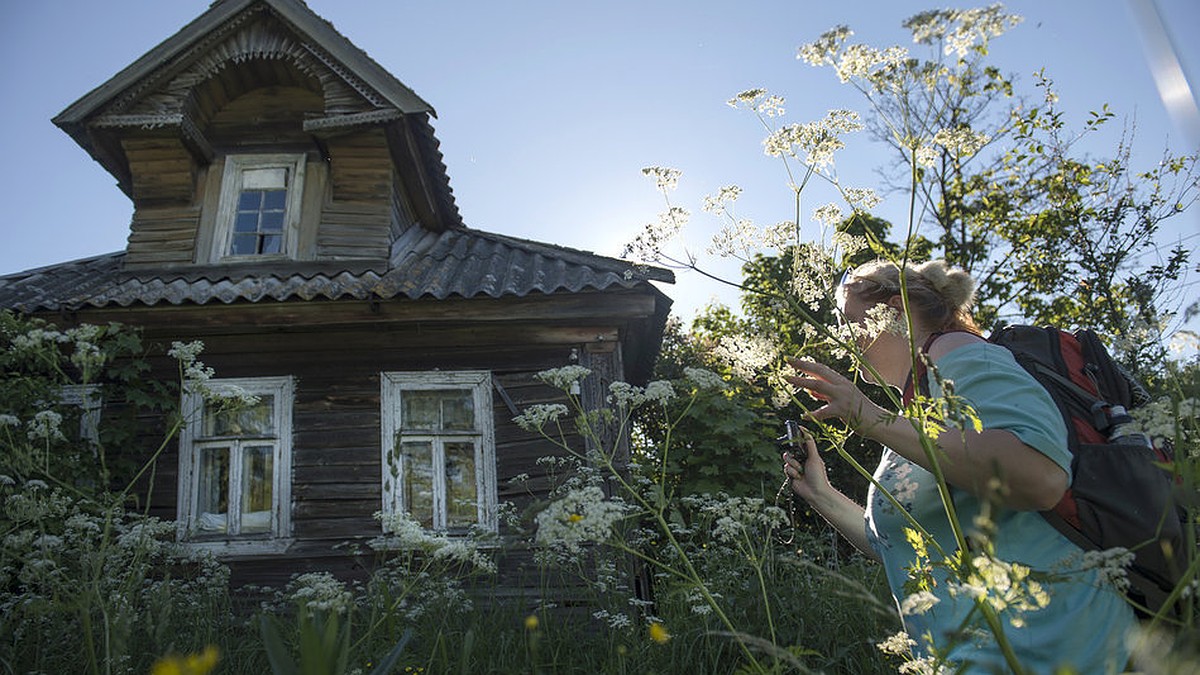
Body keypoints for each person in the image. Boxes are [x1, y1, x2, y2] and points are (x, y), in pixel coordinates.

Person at [782, 259, 1135, 673]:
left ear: (894, 311)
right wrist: (820, 494)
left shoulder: (963, 357)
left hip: (1059, 654)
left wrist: (872, 418)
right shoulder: (914, 414)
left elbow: (1040, 476)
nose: (842, 340)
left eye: (850, 323)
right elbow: (901, 546)